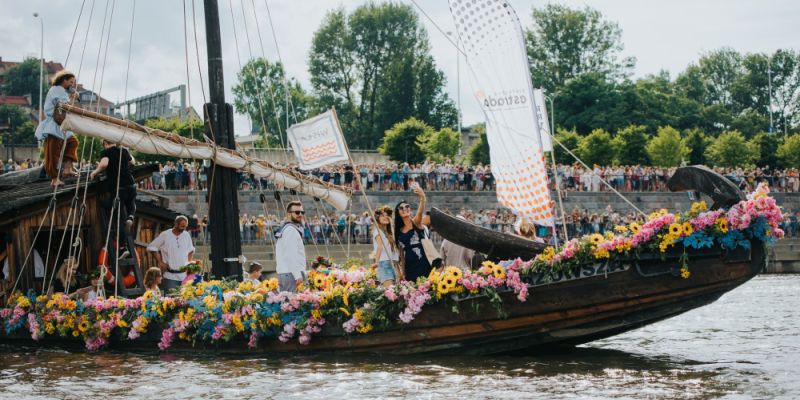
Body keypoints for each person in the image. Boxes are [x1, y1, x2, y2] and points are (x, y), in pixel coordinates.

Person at [35, 70, 79, 186]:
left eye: (73, 83)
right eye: (70, 82)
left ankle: (67, 168)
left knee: (72, 142)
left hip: (61, 124)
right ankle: (54, 179)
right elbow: (64, 106)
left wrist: (72, 96)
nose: (72, 85)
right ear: (64, 80)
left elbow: (67, 109)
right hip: (54, 124)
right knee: (52, 152)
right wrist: (72, 97)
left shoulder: (62, 91)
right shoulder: (57, 89)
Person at [90, 140, 137, 247]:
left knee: (119, 217)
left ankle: (122, 246)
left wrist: (95, 172)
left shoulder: (106, 152)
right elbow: (132, 162)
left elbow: (104, 164)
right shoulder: (123, 150)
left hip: (118, 188)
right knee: (132, 202)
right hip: (131, 184)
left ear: (105, 144)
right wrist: (128, 152)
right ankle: (131, 216)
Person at [394, 182, 431, 282]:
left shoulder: (416, 222)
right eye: (401, 208)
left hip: (422, 262)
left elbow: (420, 212)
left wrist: (422, 197)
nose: (405, 209)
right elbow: (401, 253)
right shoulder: (399, 231)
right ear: (398, 213)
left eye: (407, 206)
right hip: (409, 267)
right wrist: (402, 272)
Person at [147, 215, 195, 292]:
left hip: (185, 277)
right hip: (170, 277)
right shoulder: (165, 235)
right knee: (170, 301)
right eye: (182, 226)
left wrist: (189, 264)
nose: (184, 229)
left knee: (186, 300)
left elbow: (191, 250)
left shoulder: (186, 235)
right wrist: (160, 262)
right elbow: (152, 247)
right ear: (176, 224)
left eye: (185, 226)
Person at [275, 201, 307, 293]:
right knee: (292, 305)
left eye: (302, 212)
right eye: (297, 212)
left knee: (288, 304)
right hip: (291, 275)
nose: (300, 214)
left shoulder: (287, 228)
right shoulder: (291, 230)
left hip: (287, 273)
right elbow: (290, 255)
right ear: (289, 214)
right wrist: (297, 275)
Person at [372, 205, 401, 287]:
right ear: (378, 218)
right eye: (382, 215)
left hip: (394, 265)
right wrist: (376, 262)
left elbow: (395, 253)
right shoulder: (377, 231)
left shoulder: (390, 233)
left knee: (395, 293)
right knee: (390, 292)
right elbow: (379, 246)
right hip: (384, 264)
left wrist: (399, 270)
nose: (385, 217)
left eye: (387, 215)